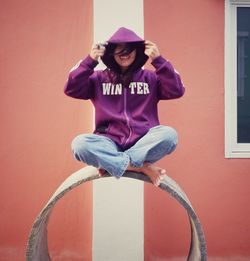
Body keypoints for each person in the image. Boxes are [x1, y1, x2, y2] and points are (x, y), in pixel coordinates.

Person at [64, 27, 185, 186]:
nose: (124, 54)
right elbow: (71, 88)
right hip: (108, 142)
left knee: (169, 135)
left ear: (137, 52)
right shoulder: (98, 79)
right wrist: (90, 61)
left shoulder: (151, 78)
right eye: (118, 50)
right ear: (110, 53)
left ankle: (114, 164)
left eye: (129, 49)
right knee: (79, 145)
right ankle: (140, 167)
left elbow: (177, 90)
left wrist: (159, 61)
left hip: (143, 141)